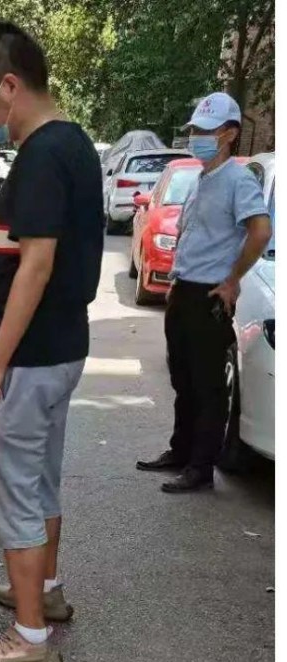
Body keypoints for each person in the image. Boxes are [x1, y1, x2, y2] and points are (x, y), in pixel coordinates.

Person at [0, 22, 103, 662]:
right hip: (60, 348)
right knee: (40, 481)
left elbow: (40, 265)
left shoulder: (42, 154)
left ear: (9, 85)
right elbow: (39, 255)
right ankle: (43, 591)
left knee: (12, 489)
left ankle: (29, 639)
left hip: (31, 359)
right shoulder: (71, 146)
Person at [136, 93, 271, 492]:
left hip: (208, 297)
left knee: (208, 386)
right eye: (195, 130)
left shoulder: (237, 179)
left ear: (230, 134)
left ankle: (200, 469)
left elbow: (260, 230)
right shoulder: (201, 178)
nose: (198, 137)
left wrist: (231, 281)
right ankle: (181, 451)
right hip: (183, 291)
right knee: (183, 378)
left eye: (206, 131)